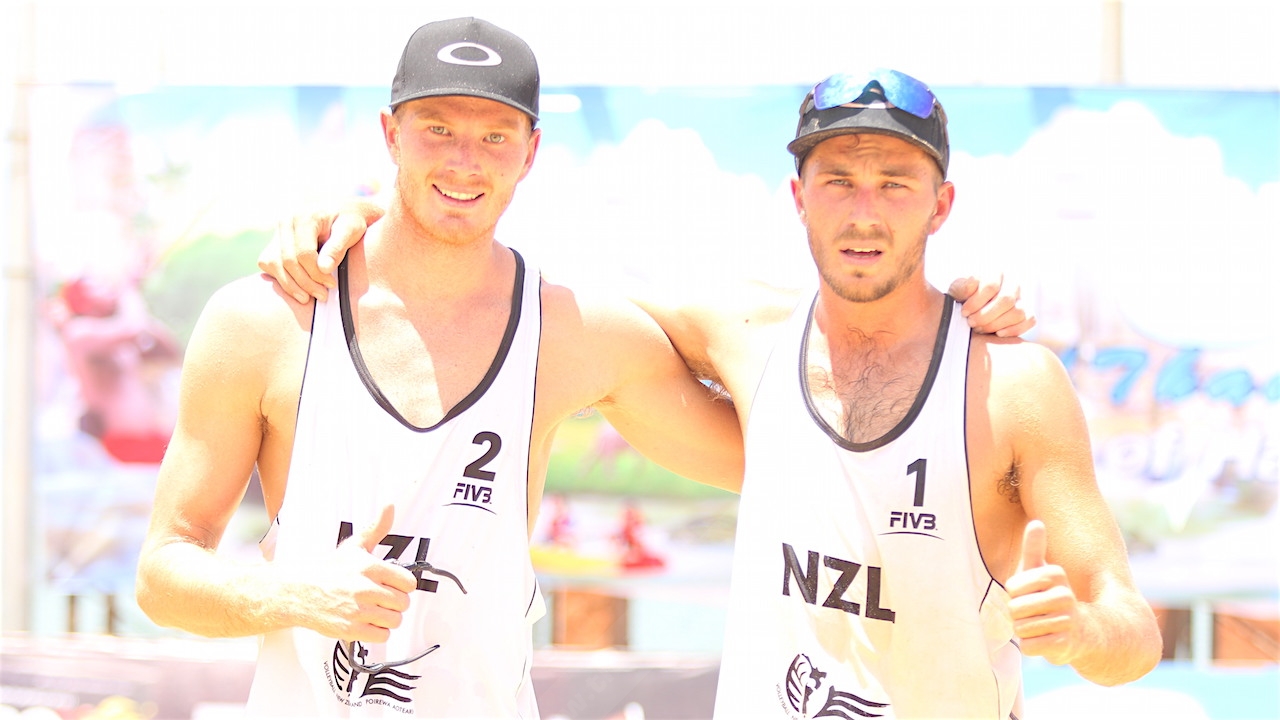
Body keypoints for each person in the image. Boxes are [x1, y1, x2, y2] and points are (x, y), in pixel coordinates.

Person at [264, 67, 1160, 718]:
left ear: (942, 205)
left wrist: (1082, 633)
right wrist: (366, 221)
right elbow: (500, 283)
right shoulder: (748, 334)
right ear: (798, 197)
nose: (864, 211)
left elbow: (1133, 631)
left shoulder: (1011, 384)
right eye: (839, 181)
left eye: (895, 184)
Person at [136, 18, 748, 717]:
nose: (465, 161)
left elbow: (772, 467)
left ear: (531, 152)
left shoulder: (575, 335)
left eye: (495, 137)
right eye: (437, 128)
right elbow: (162, 574)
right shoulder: (265, 320)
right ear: (390, 134)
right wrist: (293, 594)